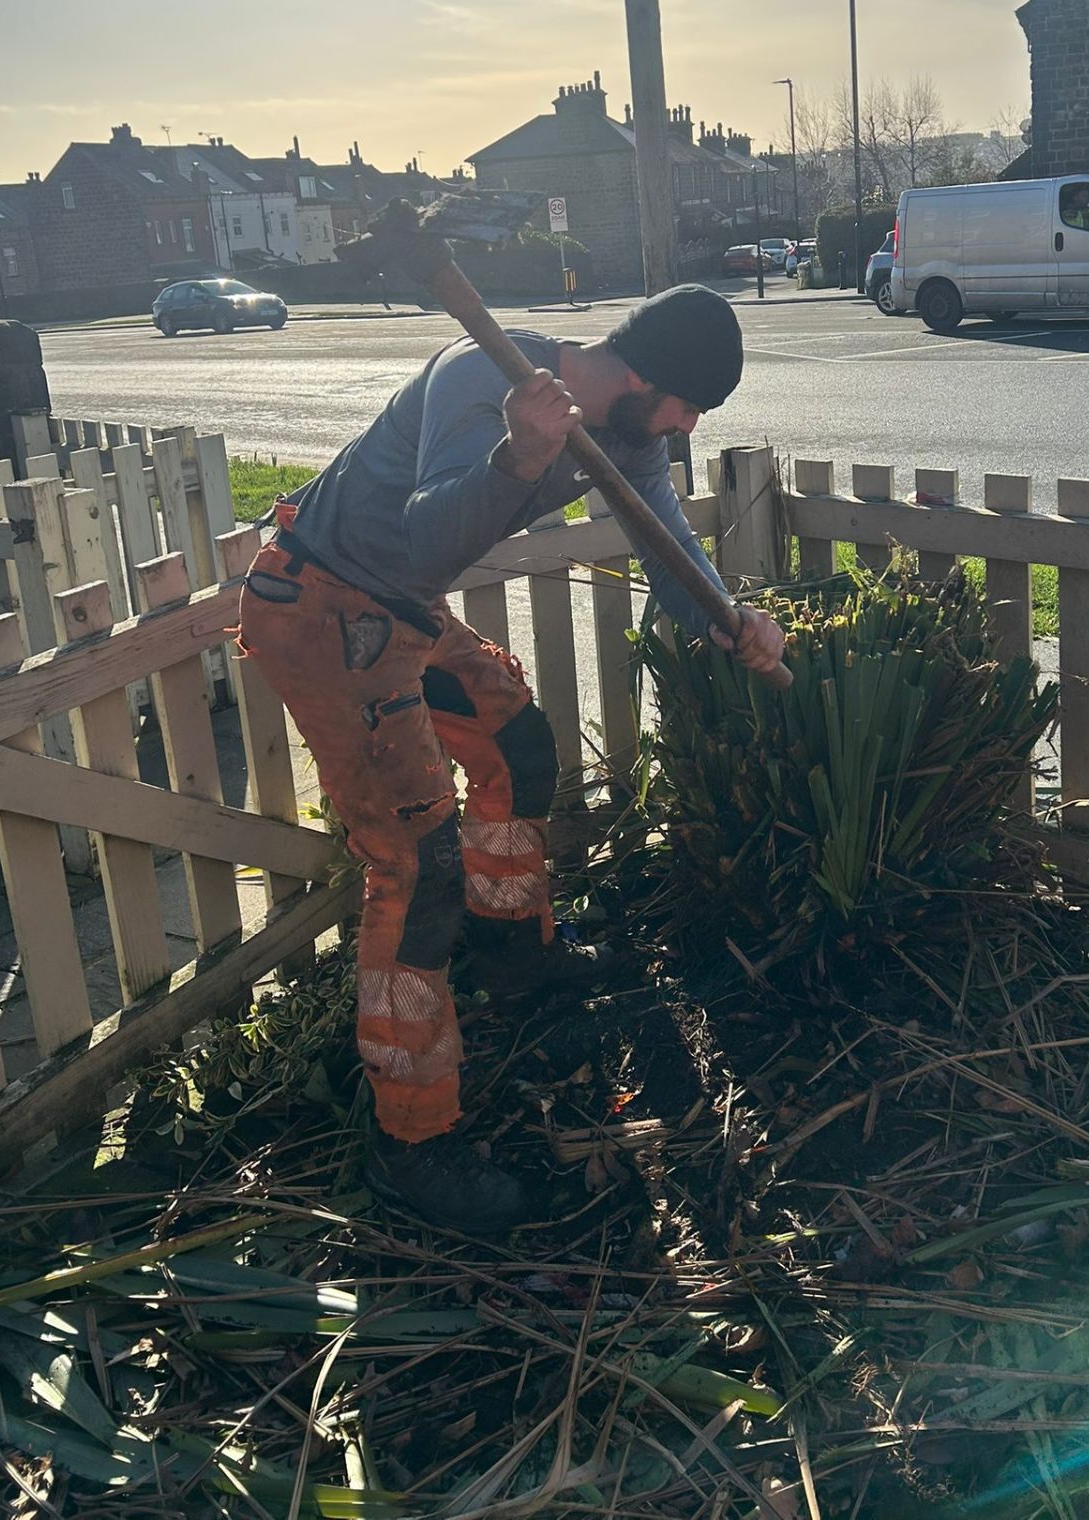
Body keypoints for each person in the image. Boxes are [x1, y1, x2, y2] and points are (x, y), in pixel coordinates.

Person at [236, 284, 786, 1233]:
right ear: (641, 374)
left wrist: (733, 622)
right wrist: (518, 456)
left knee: (519, 748)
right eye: (689, 404)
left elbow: (671, 552)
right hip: (323, 611)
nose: (689, 428)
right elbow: (423, 535)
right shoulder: (481, 379)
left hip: (398, 615)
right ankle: (410, 1145)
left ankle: (513, 958)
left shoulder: (631, 438)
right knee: (416, 870)